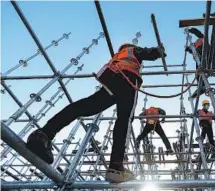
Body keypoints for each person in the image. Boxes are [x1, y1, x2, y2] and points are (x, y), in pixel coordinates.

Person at [26, 43, 166, 183]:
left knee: (86, 106)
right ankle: (116, 167)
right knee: (124, 120)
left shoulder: (120, 55)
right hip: (128, 79)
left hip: (113, 77)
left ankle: (44, 134)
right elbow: (149, 53)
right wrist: (159, 51)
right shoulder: (134, 50)